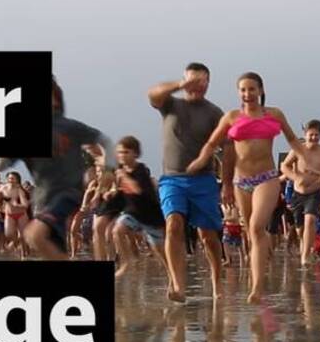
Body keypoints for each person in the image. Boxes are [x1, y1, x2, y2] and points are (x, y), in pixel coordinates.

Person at [186, 72, 309, 303]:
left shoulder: (274, 114)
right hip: (241, 181)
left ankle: (257, 287)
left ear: (261, 91)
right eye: (243, 89)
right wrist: (201, 160)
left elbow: (292, 139)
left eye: (252, 89)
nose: (247, 93)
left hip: (267, 178)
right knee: (251, 236)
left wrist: (307, 159)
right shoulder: (232, 117)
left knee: (255, 227)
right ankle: (260, 269)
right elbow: (213, 143)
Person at [0, 78, 110, 262]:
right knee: (53, 250)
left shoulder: (70, 127)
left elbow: (105, 142)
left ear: (55, 99)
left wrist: (108, 167)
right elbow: (5, 161)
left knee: (34, 234)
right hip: (44, 199)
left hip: (68, 193)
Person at [148, 63, 231, 302]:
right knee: (173, 224)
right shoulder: (170, 104)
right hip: (172, 179)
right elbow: (152, 94)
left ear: (208, 84)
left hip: (203, 180)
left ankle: (217, 283)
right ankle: (178, 284)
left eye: (202, 81)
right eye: (192, 80)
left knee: (208, 236)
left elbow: (228, 147)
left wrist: (226, 183)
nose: (197, 86)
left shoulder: (215, 113)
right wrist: (180, 85)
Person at [280, 120, 320, 267]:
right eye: (311, 135)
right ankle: (305, 246)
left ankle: (305, 257)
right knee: (300, 229)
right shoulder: (298, 149)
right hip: (299, 193)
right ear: (305, 135)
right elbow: (284, 166)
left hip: (316, 191)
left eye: (317, 135)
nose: (314, 138)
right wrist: (296, 177)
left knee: (310, 219)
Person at [111, 136, 168, 278]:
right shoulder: (120, 171)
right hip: (132, 213)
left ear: (136, 154)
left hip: (150, 215)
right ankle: (126, 262)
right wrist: (111, 193)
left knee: (158, 249)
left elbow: (137, 189)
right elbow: (119, 191)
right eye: (119, 153)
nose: (122, 156)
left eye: (126, 152)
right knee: (117, 230)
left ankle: (171, 274)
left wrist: (123, 176)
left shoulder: (140, 170)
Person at [0, 172, 31, 259]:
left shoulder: (21, 190)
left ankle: (23, 254)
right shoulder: (4, 188)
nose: (10, 180)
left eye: (13, 178)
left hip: (22, 214)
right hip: (9, 214)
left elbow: (26, 204)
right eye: (9, 178)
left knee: (22, 236)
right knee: (9, 234)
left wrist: (17, 205)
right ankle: (16, 248)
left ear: (17, 180)